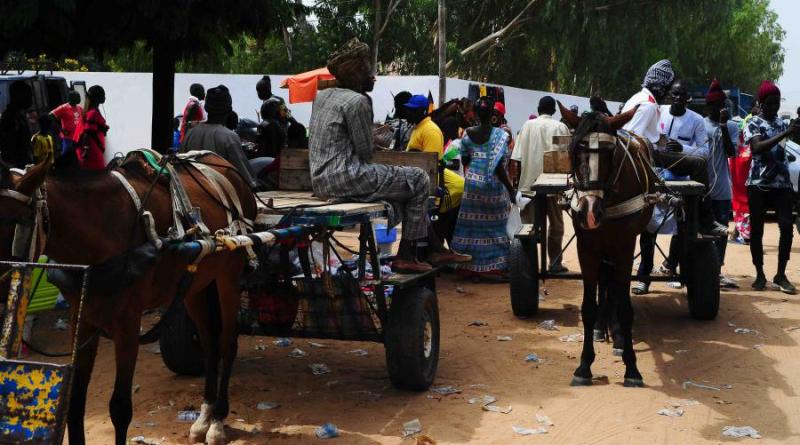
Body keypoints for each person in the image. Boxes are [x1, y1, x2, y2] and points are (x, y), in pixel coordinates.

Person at [307, 38, 468, 273]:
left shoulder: (321, 97)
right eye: (368, 69)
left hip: (320, 180)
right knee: (419, 178)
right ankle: (406, 254)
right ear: (358, 71)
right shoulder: (358, 101)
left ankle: (433, 246)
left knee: (405, 186)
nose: (372, 75)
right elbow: (365, 153)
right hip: (347, 176)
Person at [621, 60, 727, 240]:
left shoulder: (642, 99)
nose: (673, 96)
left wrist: (676, 145)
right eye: (671, 91)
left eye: (679, 94)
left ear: (688, 99)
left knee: (700, 160)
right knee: (699, 165)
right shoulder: (649, 105)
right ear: (662, 89)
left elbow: (650, 135)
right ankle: (706, 221)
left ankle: (702, 221)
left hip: (653, 152)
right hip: (647, 156)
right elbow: (630, 140)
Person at [634, 80, 709, 294]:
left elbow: (704, 152)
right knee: (647, 228)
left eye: (681, 95)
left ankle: (673, 268)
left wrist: (683, 148)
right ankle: (644, 277)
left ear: (688, 98)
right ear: (669, 96)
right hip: (654, 176)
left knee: (680, 228)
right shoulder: (657, 112)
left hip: (680, 180)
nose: (677, 98)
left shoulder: (697, 120)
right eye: (674, 94)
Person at [742, 80, 799, 294]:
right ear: (761, 102)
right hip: (758, 184)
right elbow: (757, 147)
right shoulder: (753, 123)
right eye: (770, 103)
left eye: (777, 103)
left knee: (786, 228)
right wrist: (784, 134)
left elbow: (784, 148)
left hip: (782, 185)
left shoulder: (783, 124)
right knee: (757, 231)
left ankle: (780, 275)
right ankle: (760, 274)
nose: (774, 108)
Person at [451, 97, 517, 279]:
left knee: (471, 226)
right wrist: (510, 190)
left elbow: (464, 160)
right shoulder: (501, 135)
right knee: (496, 228)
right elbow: (498, 167)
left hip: (472, 186)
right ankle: (495, 267)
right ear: (492, 114)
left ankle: (468, 266)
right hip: (494, 187)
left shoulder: (466, 134)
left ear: (477, 114)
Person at [511, 96, 571, 273]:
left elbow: (517, 159)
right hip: (554, 186)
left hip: (529, 186)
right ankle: (555, 263)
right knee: (557, 226)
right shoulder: (560, 127)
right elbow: (565, 158)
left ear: (538, 109)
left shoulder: (527, 126)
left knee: (528, 227)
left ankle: (527, 264)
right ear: (553, 111)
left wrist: (519, 185)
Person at [405, 93, 465, 246]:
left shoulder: (430, 130)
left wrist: (433, 197)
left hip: (438, 190)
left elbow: (430, 167)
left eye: (413, 110)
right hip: (424, 185)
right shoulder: (418, 128)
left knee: (437, 232)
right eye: (409, 109)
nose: (408, 113)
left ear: (423, 111)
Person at [181, 85, 257, 189]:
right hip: (219, 197)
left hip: (190, 191)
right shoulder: (229, 137)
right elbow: (245, 176)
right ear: (229, 109)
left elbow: (181, 165)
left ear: (207, 108)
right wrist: (254, 186)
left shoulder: (190, 133)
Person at [704, 79, 740, 289]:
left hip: (722, 190)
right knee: (698, 230)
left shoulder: (732, 126)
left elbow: (731, 152)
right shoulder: (700, 124)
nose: (720, 110)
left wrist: (725, 126)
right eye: (717, 106)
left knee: (721, 232)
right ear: (709, 106)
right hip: (703, 187)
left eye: (723, 106)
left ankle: (716, 271)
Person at [0, 80, 34, 168]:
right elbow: (9, 149)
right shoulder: (10, 118)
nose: (31, 99)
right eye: (28, 96)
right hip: (15, 169)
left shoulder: (20, 115)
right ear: (17, 96)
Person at [77, 85, 109, 171]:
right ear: (97, 97)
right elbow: (87, 132)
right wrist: (86, 150)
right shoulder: (93, 112)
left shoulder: (93, 111)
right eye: (103, 95)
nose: (104, 97)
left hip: (94, 148)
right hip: (93, 149)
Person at [51, 90, 84, 156]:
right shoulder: (63, 107)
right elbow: (50, 117)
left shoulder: (79, 108)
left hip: (78, 139)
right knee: (66, 157)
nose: (79, 99)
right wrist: (61, 129)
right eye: (78, 97)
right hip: (68, 139)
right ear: (71, 98)